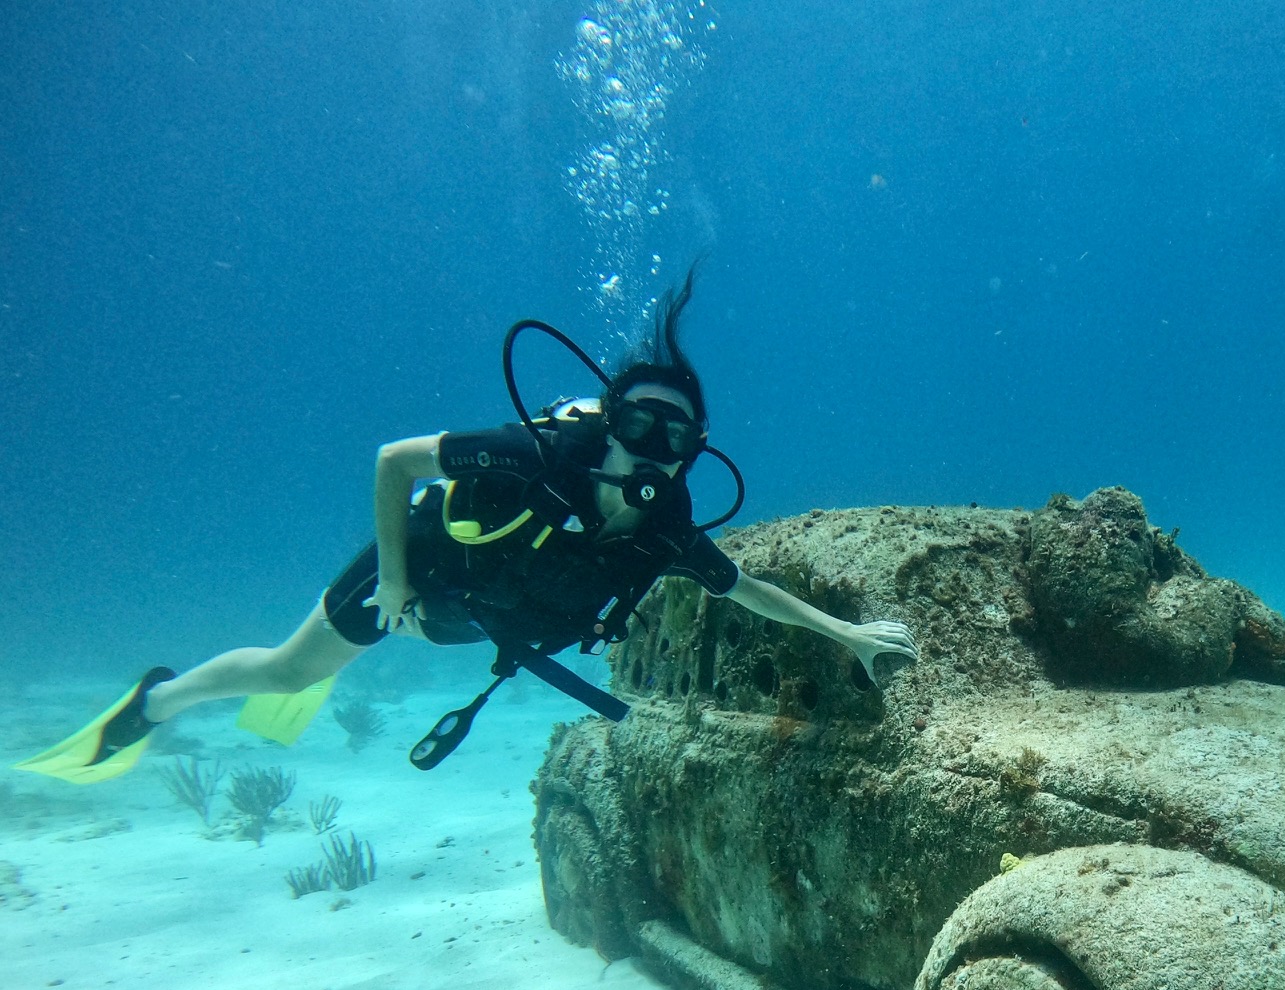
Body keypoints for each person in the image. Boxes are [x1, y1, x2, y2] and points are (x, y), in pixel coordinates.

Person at [17, 273, 918, 782]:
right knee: (290, 669)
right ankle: (155, 701)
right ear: (609, 424)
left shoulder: (664, 529)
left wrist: (850, 637)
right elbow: (394, 461)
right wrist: (395, 580)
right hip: (423, 579)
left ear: (691, 455)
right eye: (638, 424)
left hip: (483, 619)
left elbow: (744, 589)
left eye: (674, 438)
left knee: (330, 662)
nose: (652, 449)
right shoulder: (536, 455)